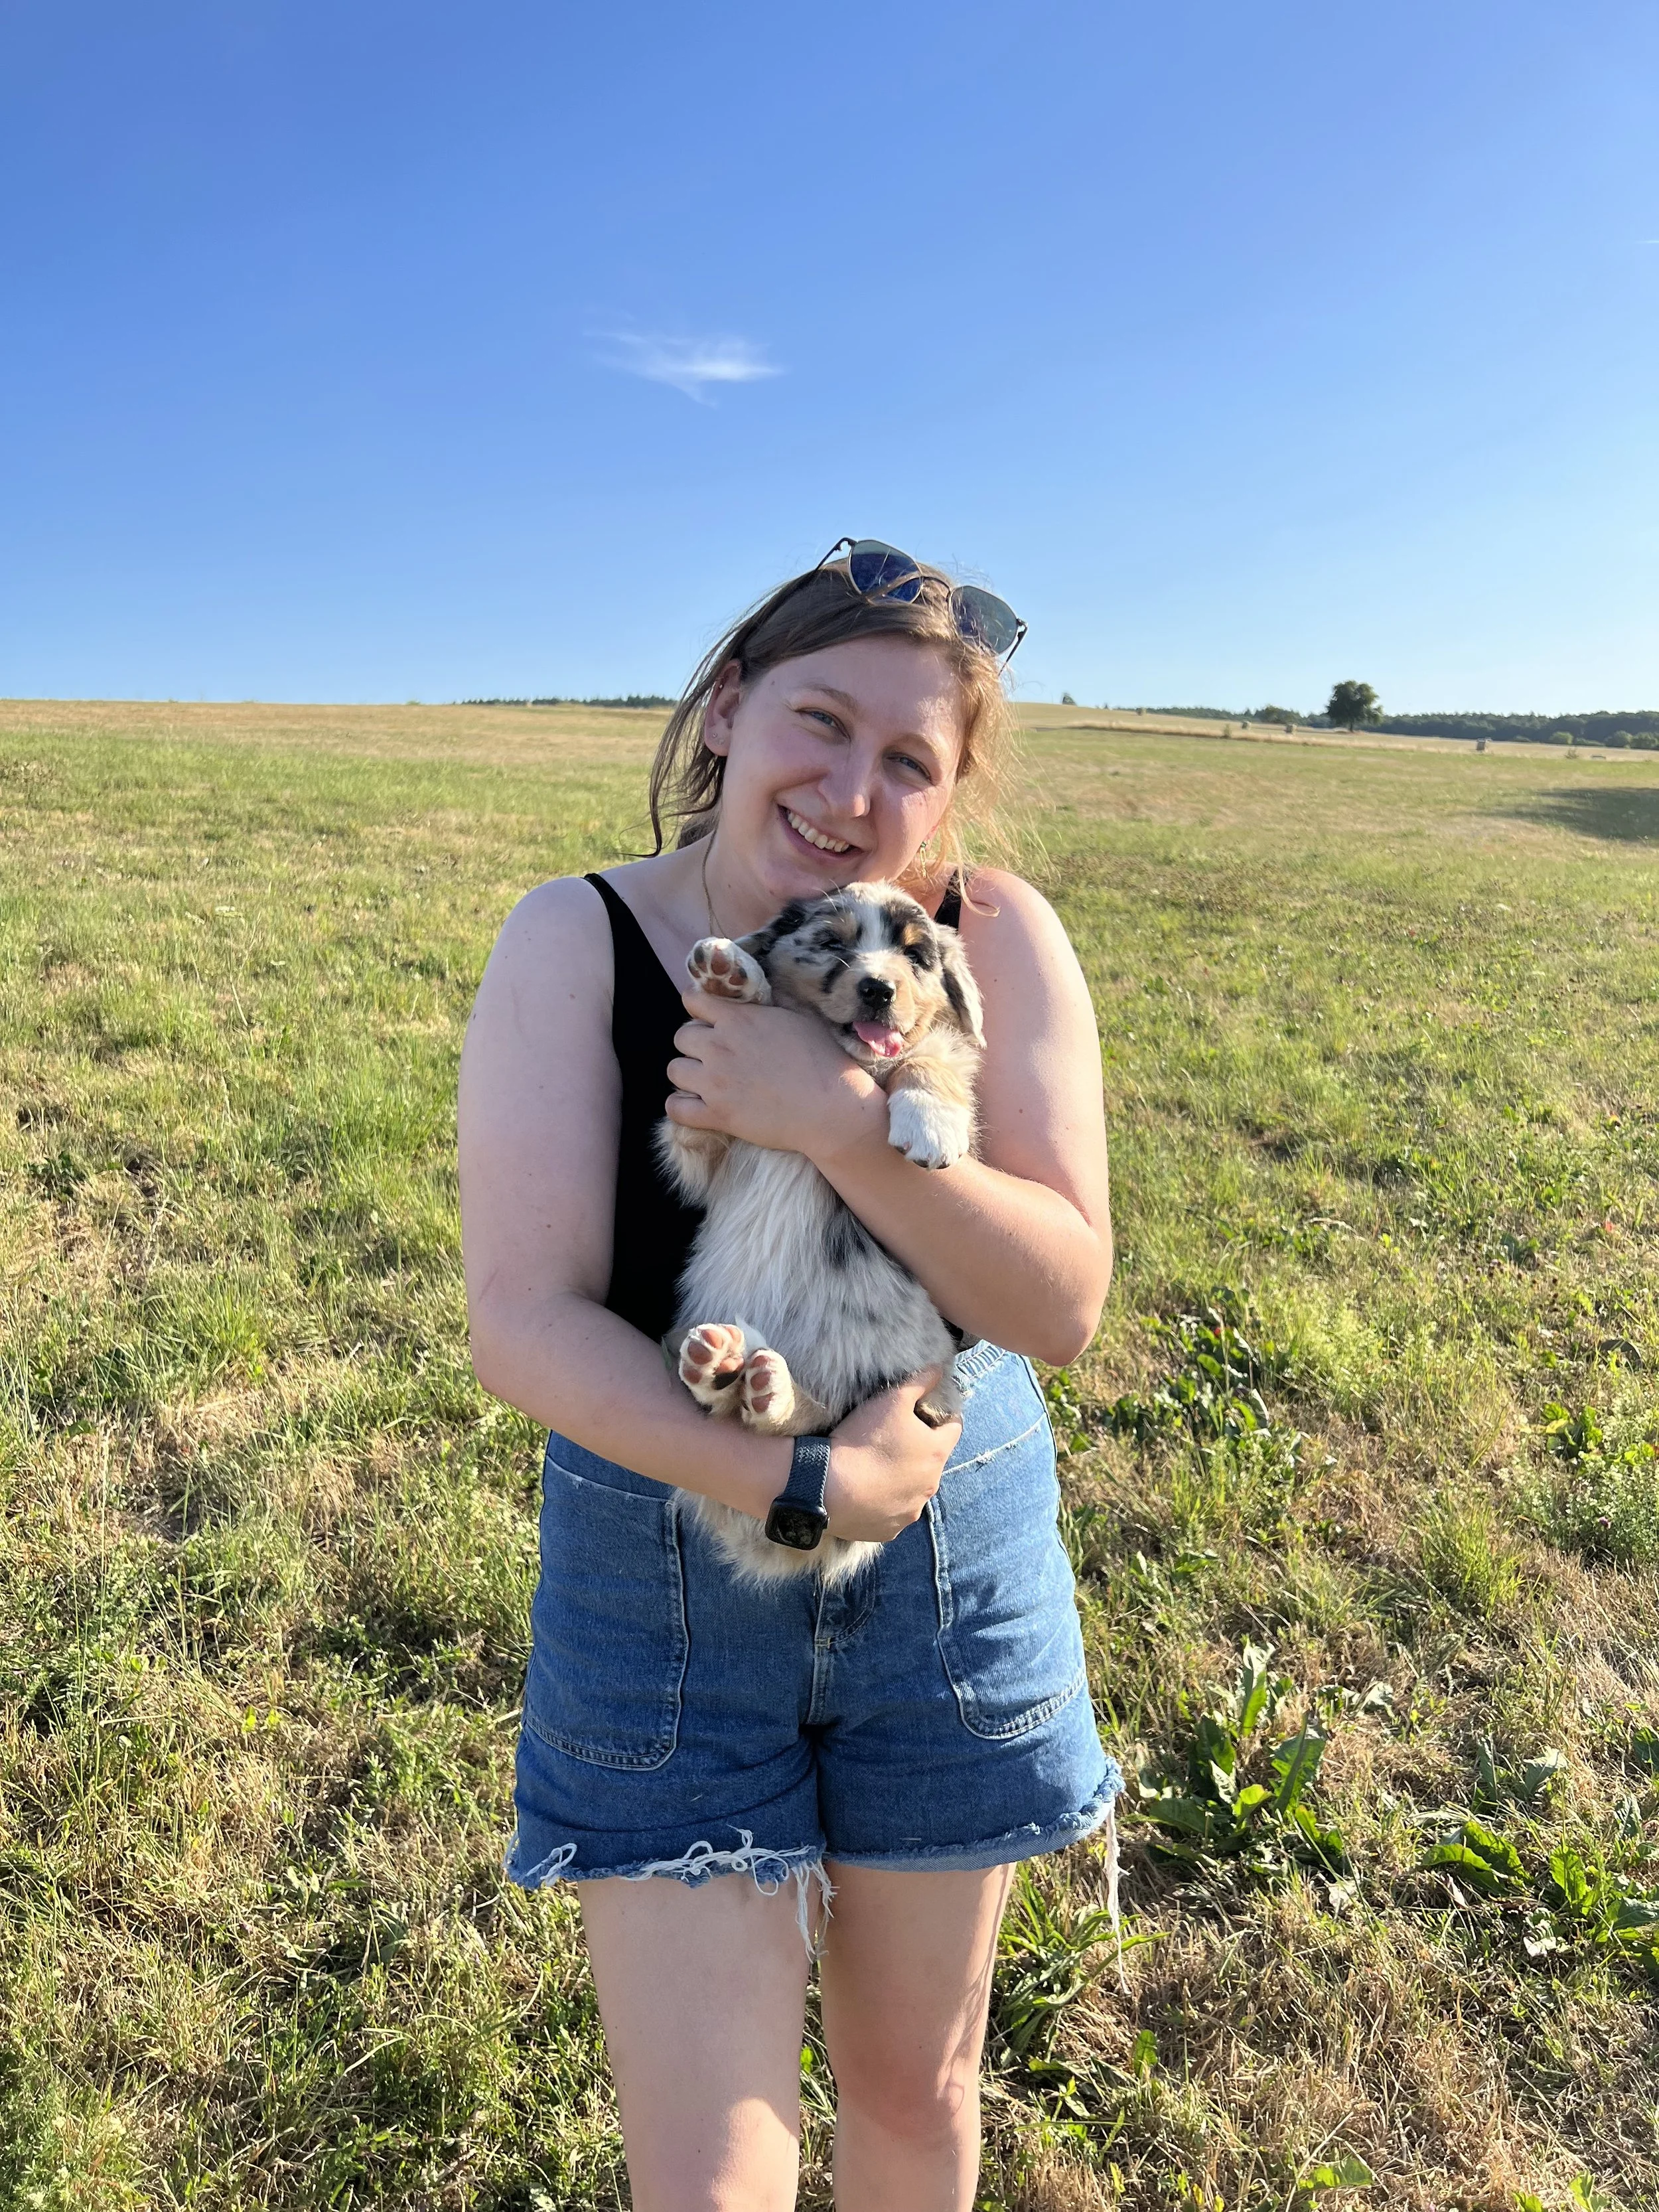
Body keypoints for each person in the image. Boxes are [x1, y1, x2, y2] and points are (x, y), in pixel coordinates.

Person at [459, 540, 1119, 2212]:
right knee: (708, 2175)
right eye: (817, 724)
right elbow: (521, 1321)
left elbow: (1057, 1302)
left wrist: (832, 1120)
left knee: (915, 2091)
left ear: (953, 793)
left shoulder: (995, 940)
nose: (849, 792)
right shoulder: (575, 941)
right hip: (667, 1559)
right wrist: (803, 1482)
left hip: (949, 1563)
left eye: (909, 760)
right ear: (732, 707)